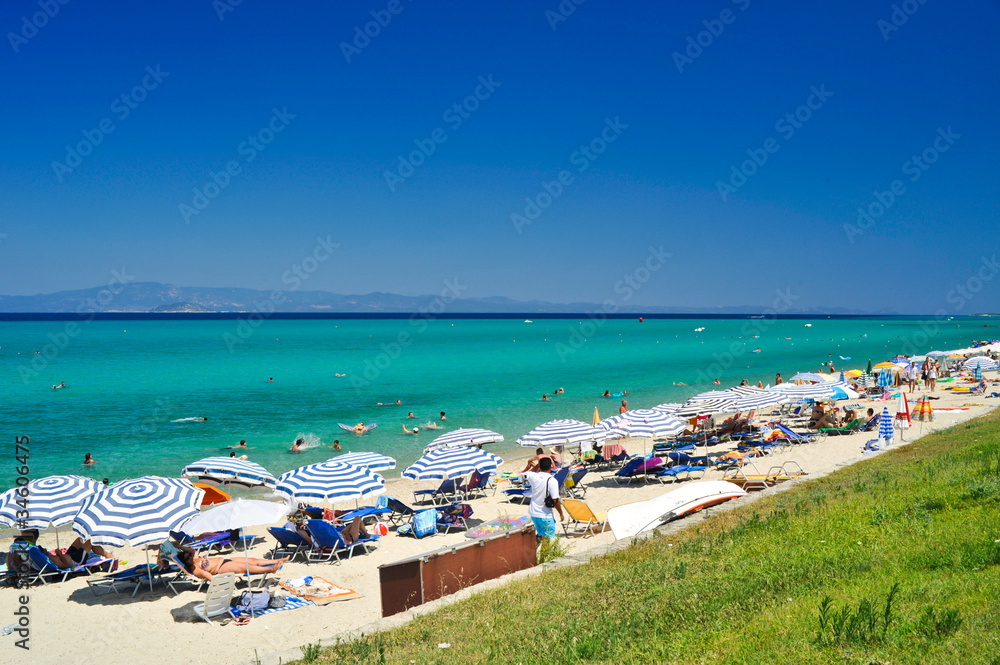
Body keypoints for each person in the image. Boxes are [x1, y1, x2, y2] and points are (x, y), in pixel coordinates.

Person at [516, 456, 564, 541]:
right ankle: (543, 555)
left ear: (540, 466)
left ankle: (532, 553)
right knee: (546, 538)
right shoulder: (552, 481)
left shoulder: (533, 476)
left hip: (534, 513)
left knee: (540, 535)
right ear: (551, 466)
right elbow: (555, 500)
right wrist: (561, 513)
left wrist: (537, 465)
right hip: (545, 514)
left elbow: (522, 475)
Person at [177, 551, 289, 582]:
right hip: (221, 568)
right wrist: (218, 584)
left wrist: (179, 546)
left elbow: (192, 550)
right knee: (246, 566)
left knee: (252, 560)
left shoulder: (195, 558)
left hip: (226, 560)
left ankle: (277, 560)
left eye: (189, 556)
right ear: (185, 562)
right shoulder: (194, 569)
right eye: (187, 559)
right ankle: (271, 569)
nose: (190, 558)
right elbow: (206, 575)